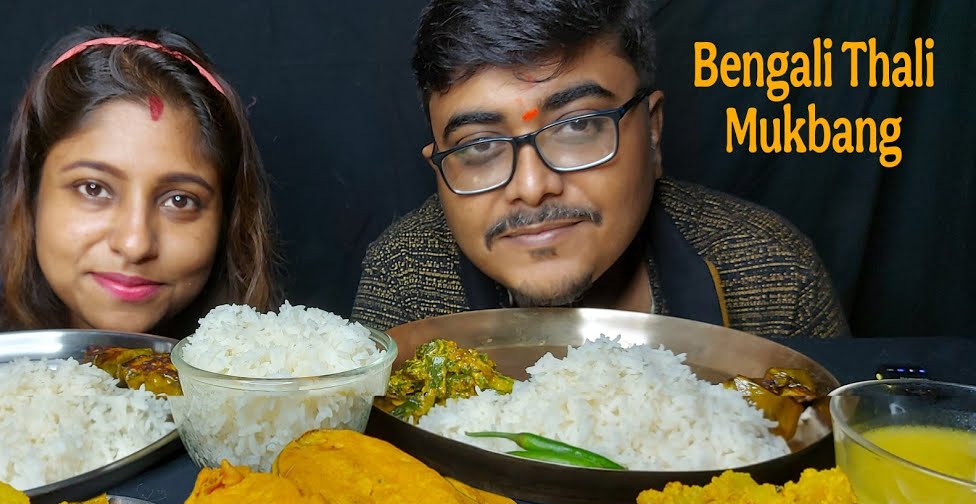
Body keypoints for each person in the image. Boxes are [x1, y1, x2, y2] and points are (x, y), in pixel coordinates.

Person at [352, 0, 848, 338]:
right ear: (438, 169)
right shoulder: (404, 281)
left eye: (578, 126)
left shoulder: (774, 277)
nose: (532, 187)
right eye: (480, 146)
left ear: (652, 132)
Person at [0, 25, 278, 347]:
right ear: (32, 195)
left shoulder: (279, 374)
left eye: (179, 199)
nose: (135, 244)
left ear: (228, 219)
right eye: (93, 189)